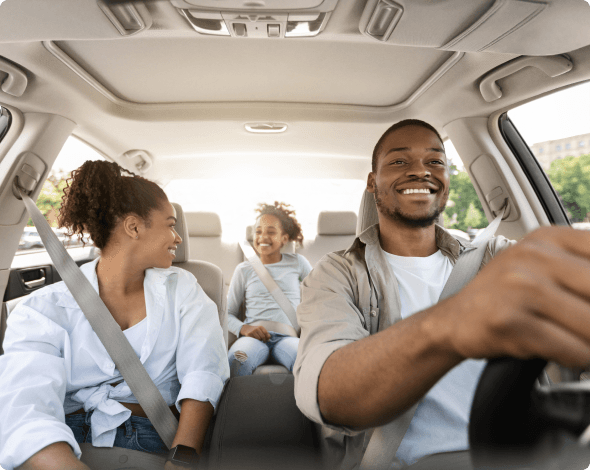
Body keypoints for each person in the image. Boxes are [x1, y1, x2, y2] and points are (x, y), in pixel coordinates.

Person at [294, 119, 590, 469]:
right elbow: (329, 394)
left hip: (528, 454)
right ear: (373, 182)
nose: (421, 171)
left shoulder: (495, 256)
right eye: (399, 161)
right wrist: (450, 323)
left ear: (447, 182)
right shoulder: (336, 273)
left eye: (435, 161)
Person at [0, 161, 230, 470]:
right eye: (170, 224)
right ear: (134, 227)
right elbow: (25, 408)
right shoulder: (42, 308)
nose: (178, 238)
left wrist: (182, 459)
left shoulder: (184, 289)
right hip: (63, 445)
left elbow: (203, 374)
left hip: (154, 439)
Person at [227, 202, 313, 376]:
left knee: (307, 361)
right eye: (258, 232)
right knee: (237, 359)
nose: (262, 237)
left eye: (271, 232)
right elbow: (226, 313)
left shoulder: (298, 263)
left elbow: (320, 296)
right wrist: (244, 329)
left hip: (288, 338)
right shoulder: (244, 269)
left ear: (284, 238)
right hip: (253, 339)